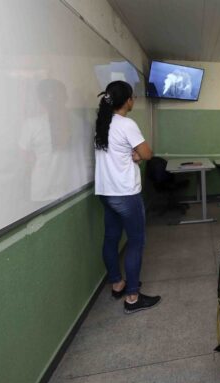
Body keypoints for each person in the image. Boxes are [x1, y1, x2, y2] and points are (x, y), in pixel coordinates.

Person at [94, 81, 161, 314]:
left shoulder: (102, 123)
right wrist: (137, 156)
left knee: (111, 238)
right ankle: (132, 297)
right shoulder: (126, 123)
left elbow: (118, 153)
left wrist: (133, 155)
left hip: (105, 192)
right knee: (136, 242)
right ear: (128, 100)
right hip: (125, 193)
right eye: (133, 98)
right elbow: (147, 153)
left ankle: (117, 283)